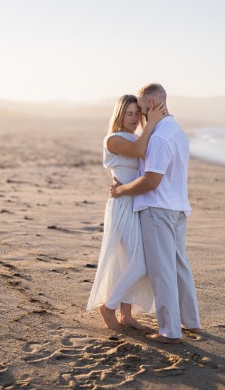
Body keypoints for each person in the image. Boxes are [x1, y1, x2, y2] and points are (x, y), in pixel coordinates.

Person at [110, 83, 201, 343]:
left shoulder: (159, 136)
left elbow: (151, 181)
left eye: (139, 108)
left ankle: (170, 331)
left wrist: (121, 190)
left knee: (162, 271)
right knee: (179, 265)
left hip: (158, 208)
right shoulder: (177, 131)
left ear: (150, 104)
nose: (138, 115)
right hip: (178, 207)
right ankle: (191, 322)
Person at [87, 94, 165, 330]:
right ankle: (108, 306)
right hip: (122, 204)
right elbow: (140, 152)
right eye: (128, 114)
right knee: (139, 263)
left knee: (127, 262)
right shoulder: (114, 139)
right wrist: (150, 123)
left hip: (136, 202)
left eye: (136, 114)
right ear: (120, 115)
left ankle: (126, 314)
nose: (133, 118)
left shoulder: (133, 136)